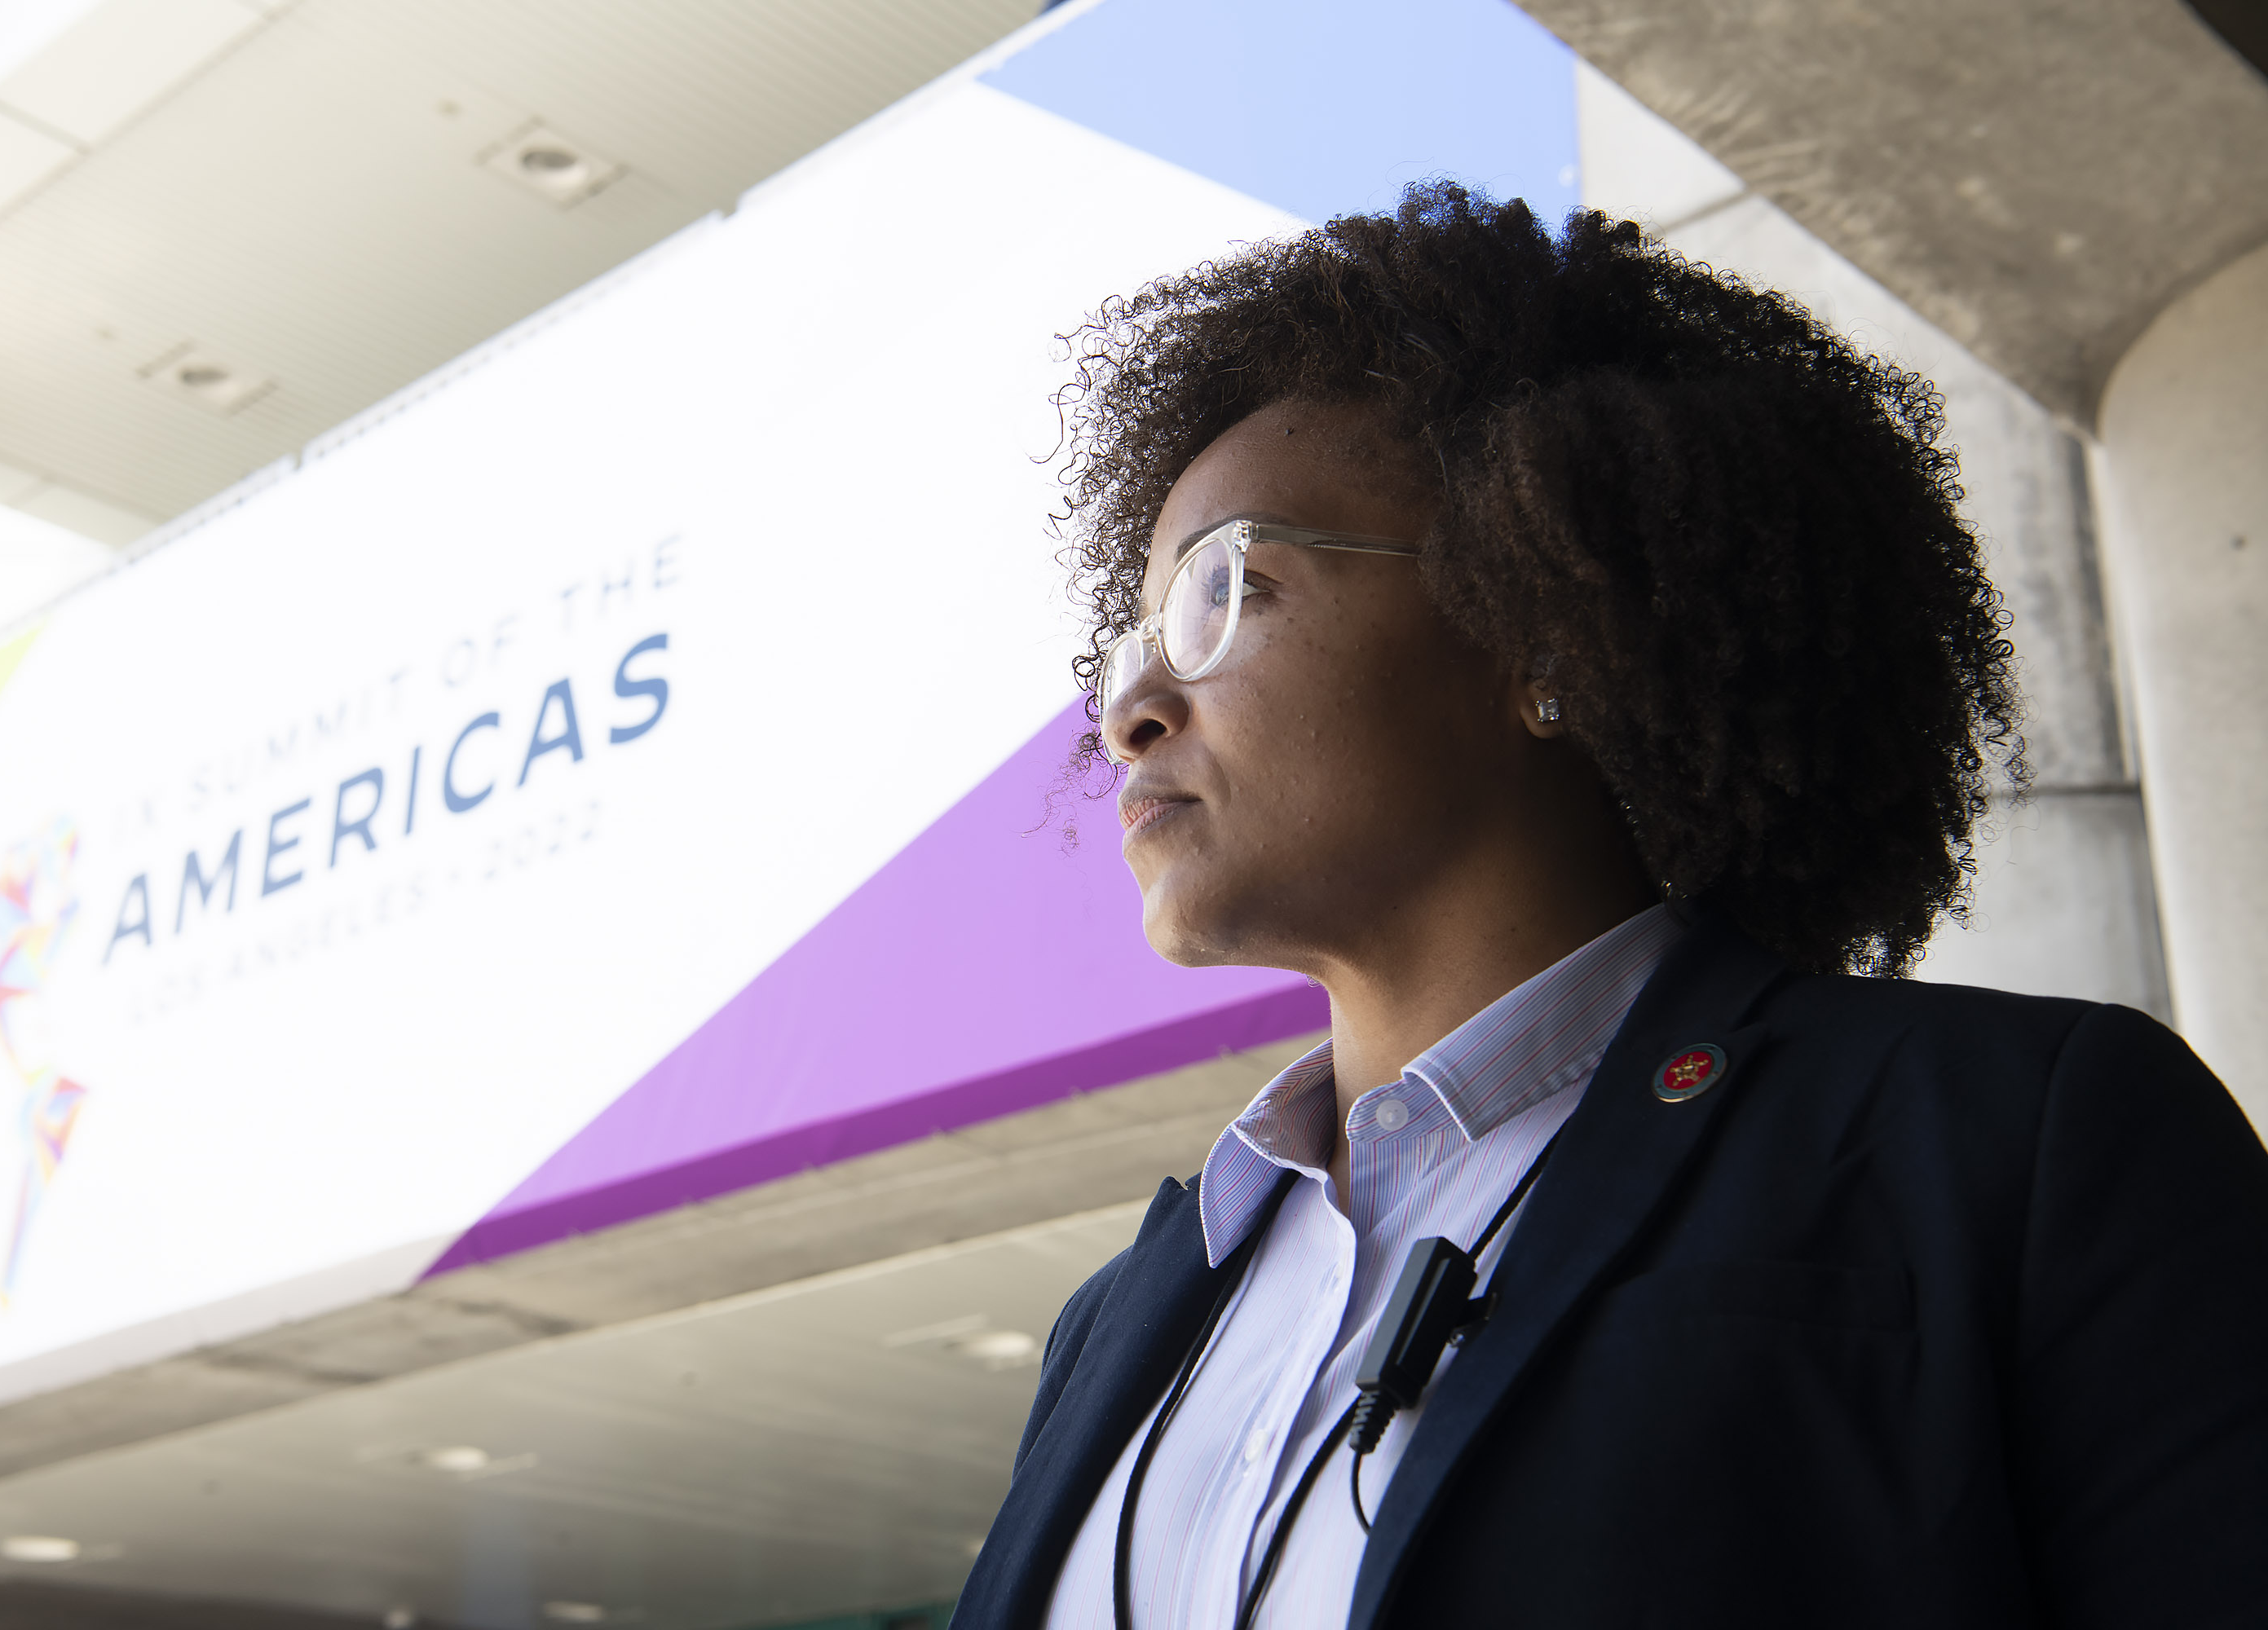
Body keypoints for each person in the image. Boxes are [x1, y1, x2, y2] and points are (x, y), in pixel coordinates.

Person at [951, 183, 2268, 1629]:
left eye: (1223, 590)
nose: (1133, 704)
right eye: (1134, 633)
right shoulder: (1121, 1319)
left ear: (1547, 630)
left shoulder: (2015, 1145)